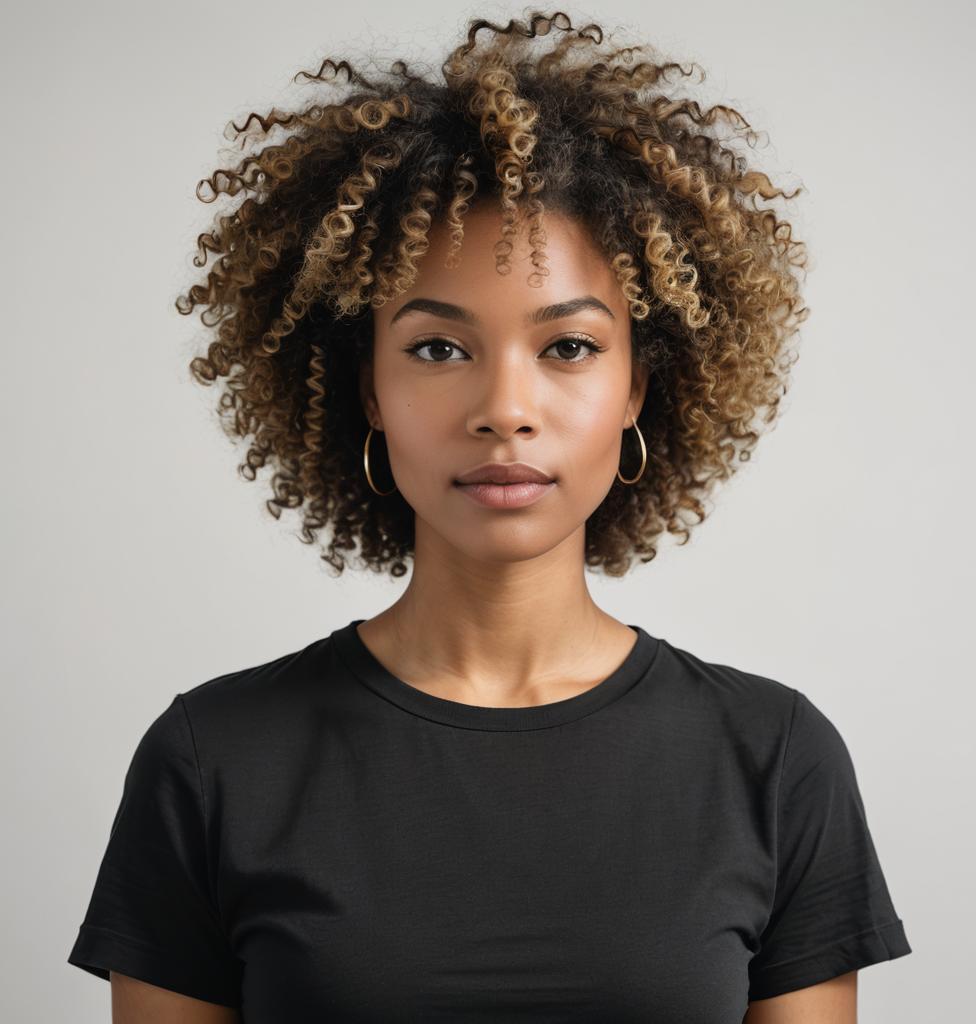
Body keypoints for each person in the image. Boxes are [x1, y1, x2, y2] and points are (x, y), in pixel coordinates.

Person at [67, 10, 912, 1022]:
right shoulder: (213, 762)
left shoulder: (772, 759)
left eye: (567, 348)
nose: (503, 408)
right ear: (366, 390)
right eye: (436, 348)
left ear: (640, 385)